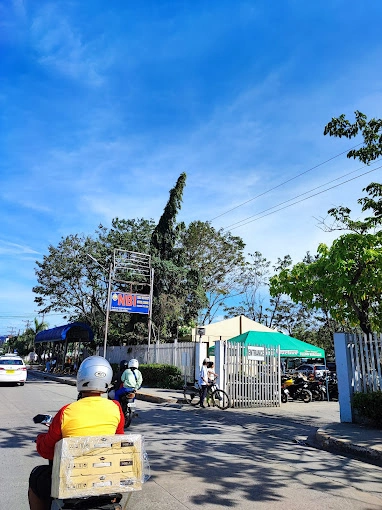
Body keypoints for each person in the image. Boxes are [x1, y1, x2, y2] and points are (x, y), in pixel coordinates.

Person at [28, 356, 125, 510]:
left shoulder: (67, 411)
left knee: (36, 476)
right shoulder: (116, 408)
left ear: (81, 377)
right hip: (105, 477)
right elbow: (119, 441)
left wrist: (40, 439)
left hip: (72, 480)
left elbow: (47, 451)